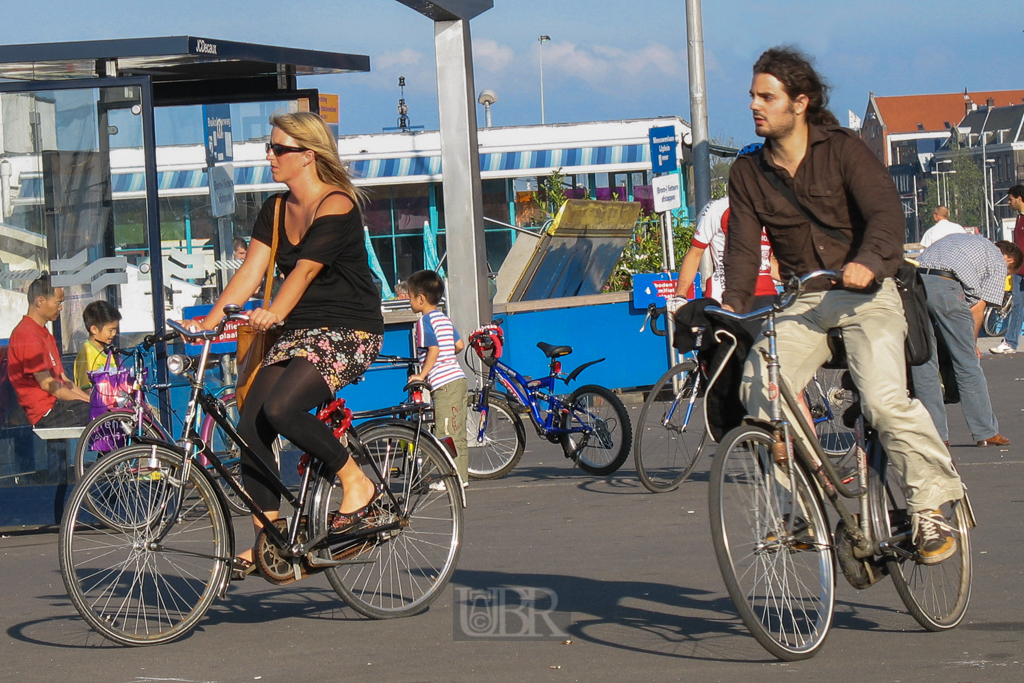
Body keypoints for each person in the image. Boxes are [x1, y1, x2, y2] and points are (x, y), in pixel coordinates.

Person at [723, 46, 964, 564]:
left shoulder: (844, 150)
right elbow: (742, 251)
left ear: (800, 102)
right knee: (758, 390)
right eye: (752, 96)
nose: (754, 105)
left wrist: (871, 260)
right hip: (803, 301)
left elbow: (885, 215)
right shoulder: (746, 172)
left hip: (866, 295)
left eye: (767, 96)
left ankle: (931, 507)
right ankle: (805, 508)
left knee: (882, 401)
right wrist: (728, 309)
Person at [188, 112, 384, 579]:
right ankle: (270, 539)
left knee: (281, 408)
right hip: (299, 332)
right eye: (269, 148)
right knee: (251, 422)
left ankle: (356, 482)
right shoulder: (275, 209)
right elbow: (251, 273)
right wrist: (207, 324)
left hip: (349, 330)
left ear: (307, 155)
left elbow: (305, 271)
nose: (270, 156)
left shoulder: (336, 205)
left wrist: (274, 312)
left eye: (279, 149)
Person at [911, 236, 1019, 447]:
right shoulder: (997, 260)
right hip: (946, 286)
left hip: (914, 283)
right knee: (967, 364)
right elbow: (978, 308)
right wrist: (972, 343)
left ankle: (936, 435)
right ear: (1009, 260)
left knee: (924, 361)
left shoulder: (966, 241)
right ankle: (985, 431)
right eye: (1009, 273)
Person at [406, 270, 468, 483]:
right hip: (458, 379)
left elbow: (433, 349)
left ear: (421, 298)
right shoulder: (444, 318)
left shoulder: (423, 322)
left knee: (444, 432)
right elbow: (459, 345)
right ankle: (461, 477)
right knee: (457, 432)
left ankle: (450, 480)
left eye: (410, 296)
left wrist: (421, 374)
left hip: (444, 384)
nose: (409, 300)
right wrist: (447, 358)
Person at [7, 273, 91, 428]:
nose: (60, 307)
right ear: (40, 301)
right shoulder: (26, 334)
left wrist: (90, 401)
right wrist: (87, 404)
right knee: (97, 415)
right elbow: (47, 384)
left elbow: (65, 380)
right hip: (46, 412)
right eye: (58, 302)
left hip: (59, 404)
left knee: (105, 412)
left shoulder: (45, 334)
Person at [670, 194, 779, 307]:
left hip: (768, 296)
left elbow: (764, 260)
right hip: (728, 296)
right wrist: (680, 295)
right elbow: (695, 254)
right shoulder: (719, 208)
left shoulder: (769, 210)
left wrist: (795, 278)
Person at [990, 185, 1024, 354]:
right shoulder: (1019, 218)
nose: (1009, 203)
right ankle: (1010, 342)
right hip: (1020, 270)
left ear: (1019, 198)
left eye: (1011, 199)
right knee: (1018, 305)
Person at [73, 300, 122, 390]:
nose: (114, 333)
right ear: (94, 329)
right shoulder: (87, 352)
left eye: (116, 329)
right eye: (111, 330)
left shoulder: (110, 351)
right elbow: (87, 389)